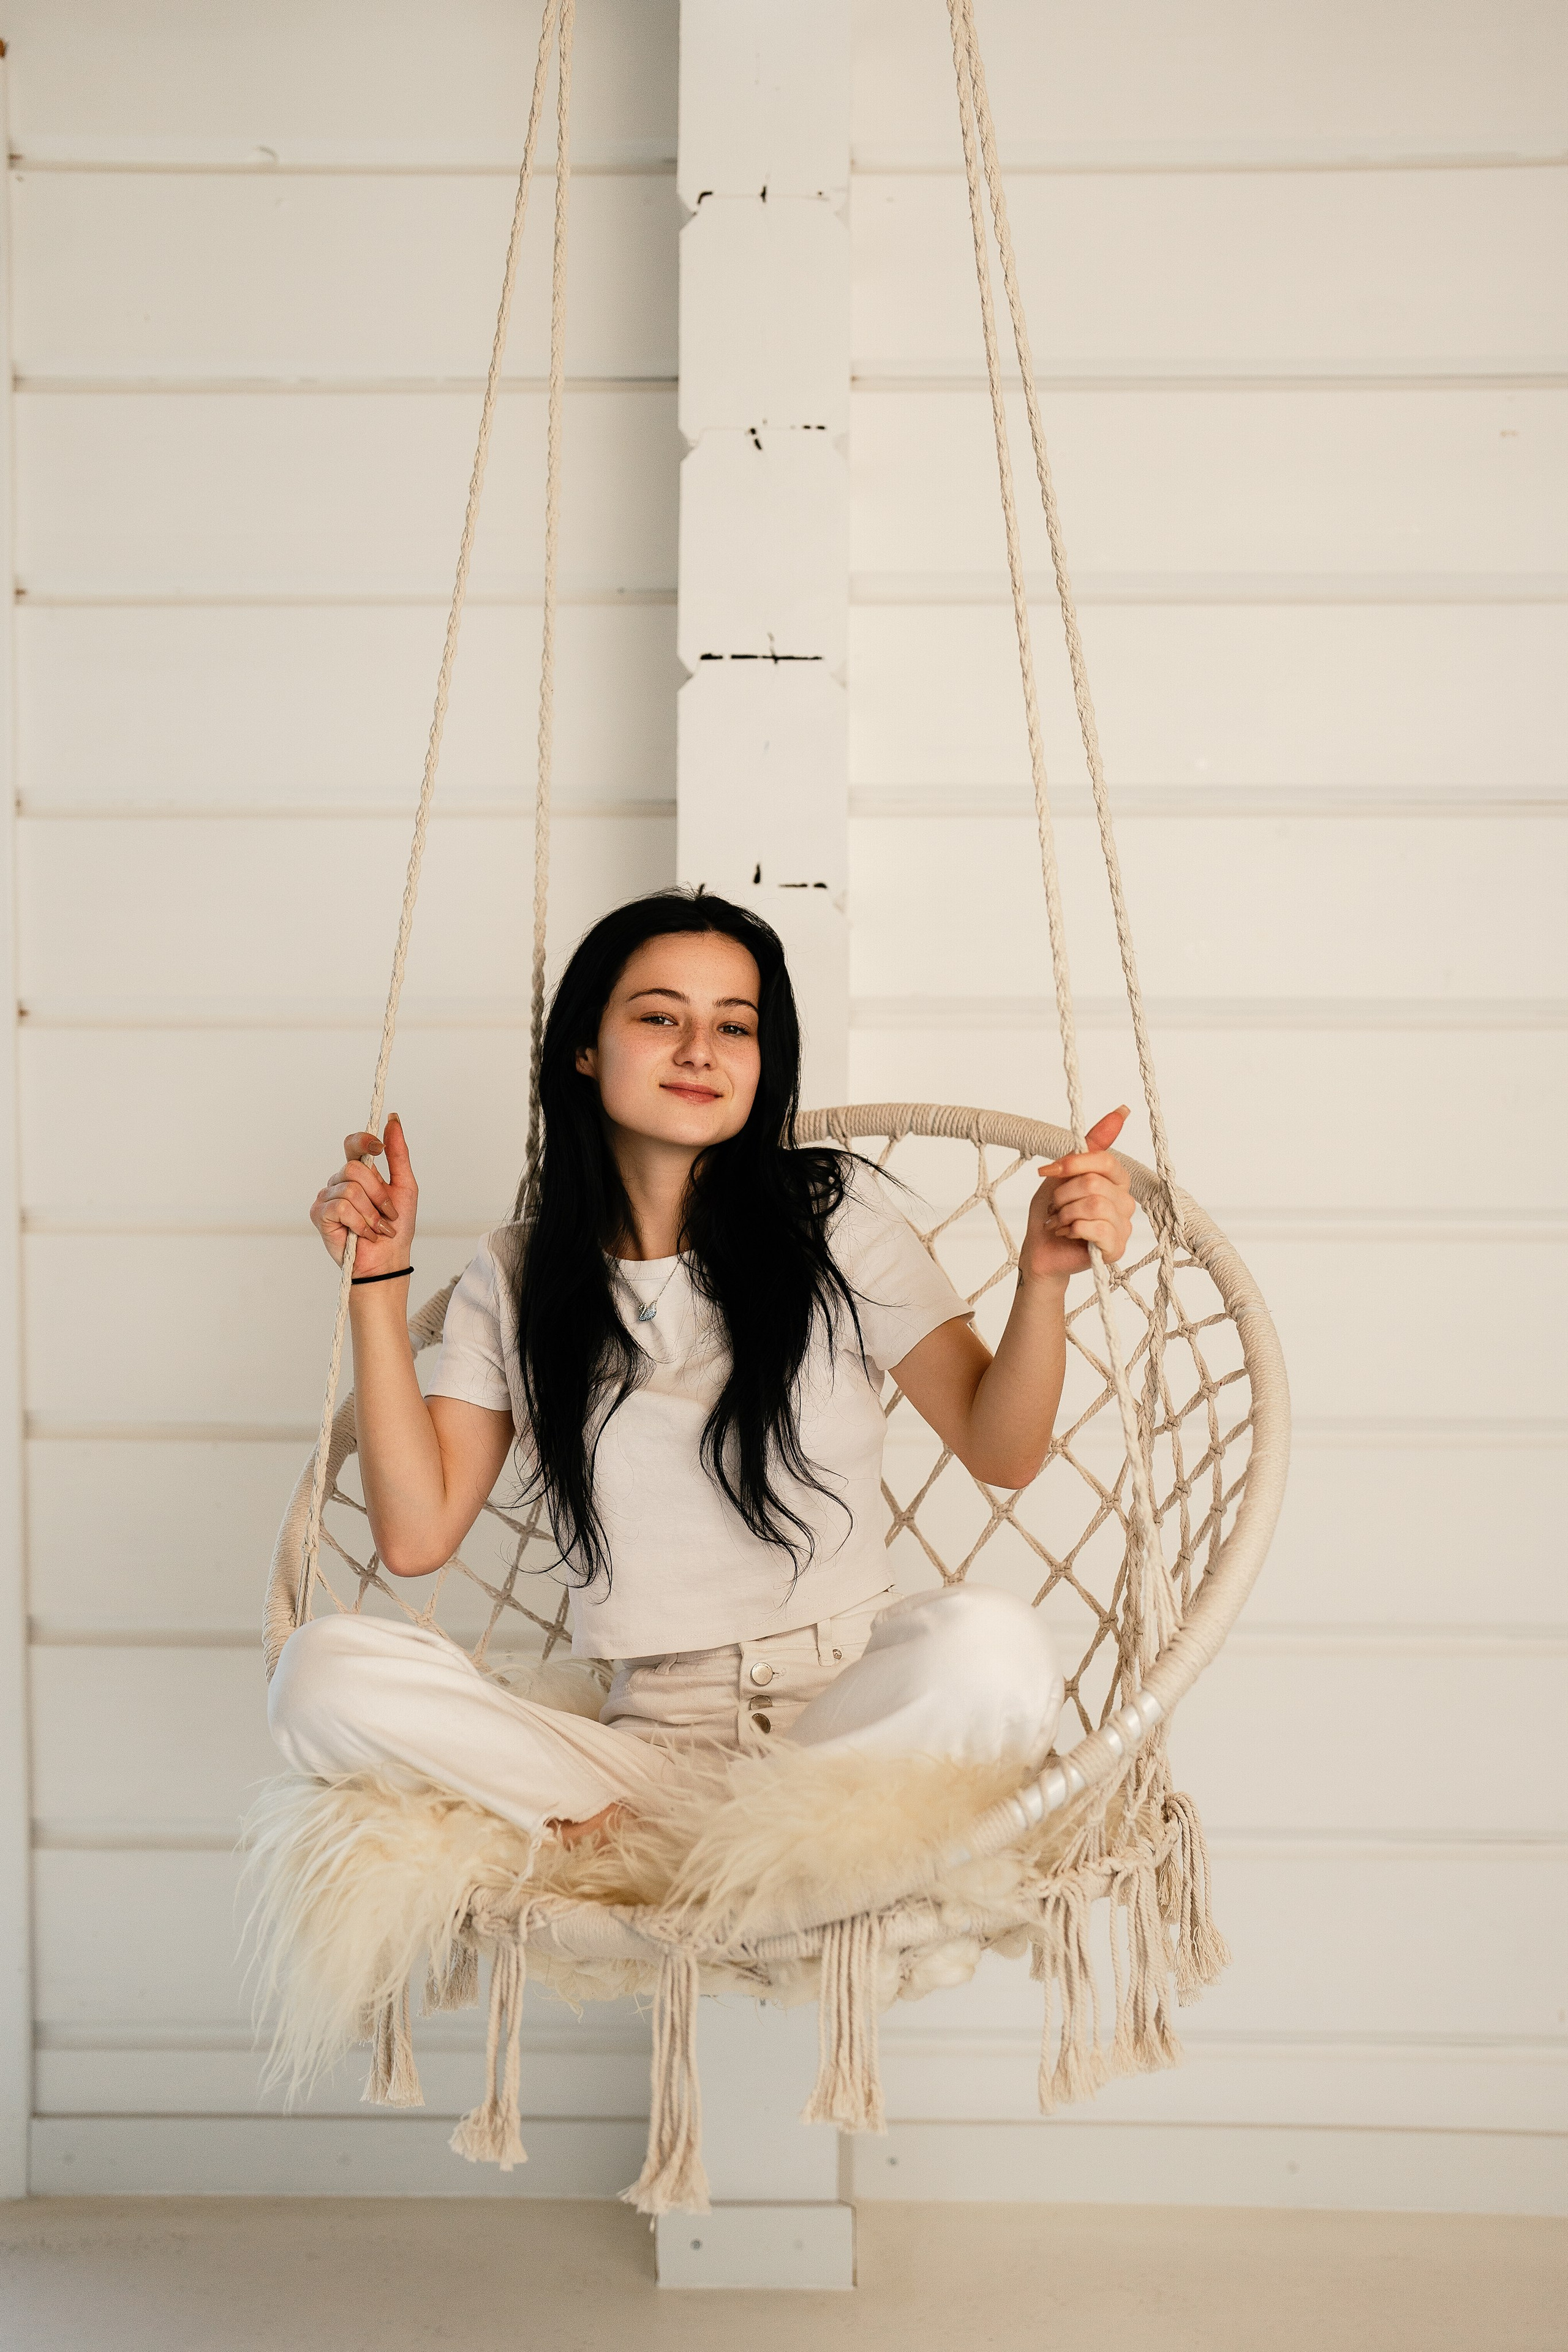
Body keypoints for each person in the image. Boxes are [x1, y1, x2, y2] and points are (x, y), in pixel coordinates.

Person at [267, 889, 1136, 1850]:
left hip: (843, 1716)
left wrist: (1043, 1280)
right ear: (585, 1048)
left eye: (735, 1025)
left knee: (993, 1645)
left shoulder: (834, 1223)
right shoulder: (517, 1274)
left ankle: (699, 1846)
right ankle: (681, 1841)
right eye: (658, 1017)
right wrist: (378, 1289)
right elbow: (416, 1534)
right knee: (320, 1674)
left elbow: (1003, 1450)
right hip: (641, 1756)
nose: (700, 1050)